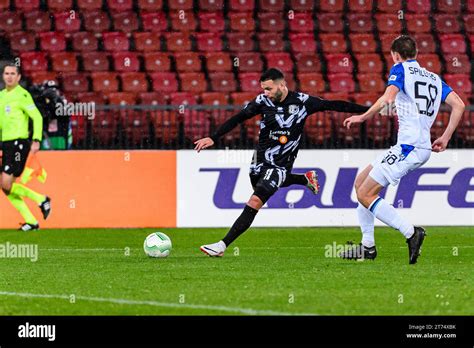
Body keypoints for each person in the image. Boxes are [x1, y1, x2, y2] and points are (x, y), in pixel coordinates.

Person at [194, 68, 370, 257]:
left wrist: (369, 111)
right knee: (259, 185)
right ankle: (304, 179)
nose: (266, 93)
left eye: (269, 89)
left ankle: (221, 245)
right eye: (264, 89)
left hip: (281, 163)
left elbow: (335, 105)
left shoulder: (303, 102)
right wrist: (214, 137)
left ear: (282, 85)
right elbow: (239, 118)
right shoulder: (262, 102)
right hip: (259, 159)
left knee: (255, 200)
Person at [341, 35, 465, 264]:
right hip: (412, 145)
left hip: (411, 146)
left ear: (395, 55)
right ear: (416, 53)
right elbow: (459, 104)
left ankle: (411, 232)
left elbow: (387, 99)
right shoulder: (434, 78)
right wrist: (445, 137)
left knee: (366, 194)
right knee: (360, 183)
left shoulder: (399, 69)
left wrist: (363, 117)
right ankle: (367, 247)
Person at [0, 63, 52, 231]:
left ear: (19, 77)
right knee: (6, 188)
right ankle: (31, 221)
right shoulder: (1, 96)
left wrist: (36, 139)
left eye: (12, 73)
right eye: (6, 73)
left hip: (18, 143)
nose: (9, 76)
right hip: (6, 144)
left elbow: (37, 117)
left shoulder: (22, 95)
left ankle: (41, 199)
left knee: (6, 184)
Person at [29, 80, 71, 150]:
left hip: (60, 137)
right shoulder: (41, 103)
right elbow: (40, 115)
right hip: (44, 137)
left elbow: (65, 114)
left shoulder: (63, 102)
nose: (52, 92)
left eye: (55, 90)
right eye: (50, 90)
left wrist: (56, 100)